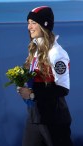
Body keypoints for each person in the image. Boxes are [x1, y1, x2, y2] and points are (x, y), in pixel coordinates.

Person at [17, 6, 73, 146]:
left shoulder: (56, 53)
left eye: (33, 23)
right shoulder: (34, 50)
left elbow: (62, 89)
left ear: (44, 25)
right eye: (28, 22)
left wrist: (31, 94)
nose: (29, 27)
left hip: (54, 117)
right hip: (35, 115)